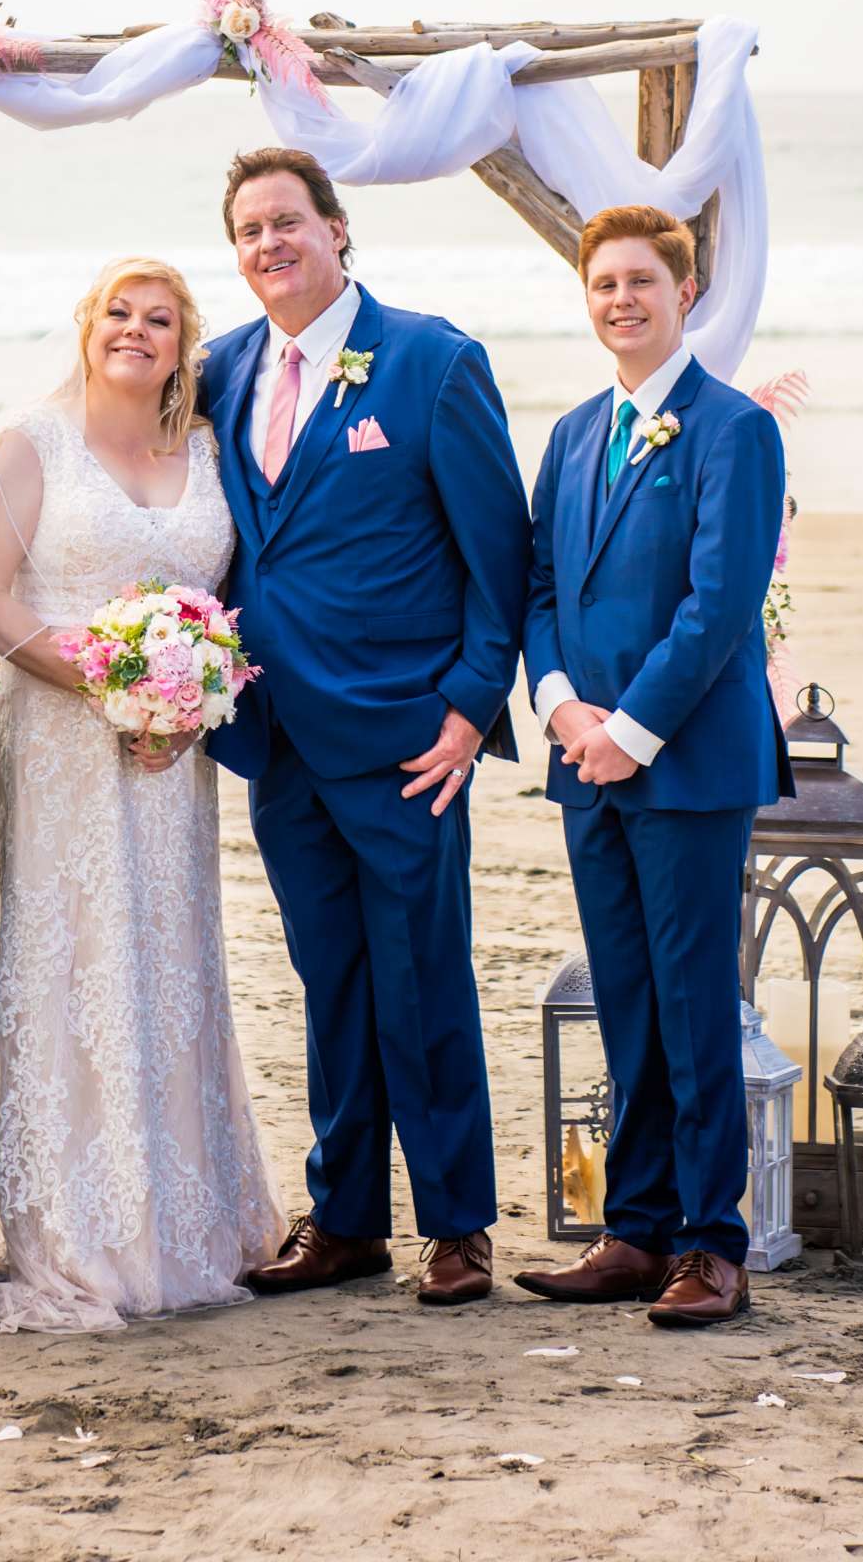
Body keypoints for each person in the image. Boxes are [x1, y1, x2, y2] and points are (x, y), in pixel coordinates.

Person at [200, 149, 531, 1307]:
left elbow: (502, 558)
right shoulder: (221, 370)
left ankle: (456, 1225)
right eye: (248, 231)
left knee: (423, 976)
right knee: (327, 980)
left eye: (287, 222)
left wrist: (469, 711)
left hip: (406, 739)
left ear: (338, 231)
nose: (268, 245)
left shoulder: (433, 361)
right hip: (277, 734)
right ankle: (345, 1219)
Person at [0, 256, 285, 1331]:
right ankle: (83, 1233)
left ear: (183, 346)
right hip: (64, 750)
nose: (135, 331)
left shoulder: (202, 450)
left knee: (170, 960)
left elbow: (222, 602)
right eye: (118, 312)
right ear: (85, 322)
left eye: (159, 319)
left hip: (168, 763)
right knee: (80, 962)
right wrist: (113, 683)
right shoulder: (30, 444)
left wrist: (186, 701)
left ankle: (181, 1223)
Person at [515, 203, 793, 1328]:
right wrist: (562, 706)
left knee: (693, 1001)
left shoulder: (731, 429)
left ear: (685, 293)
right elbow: (537, 587)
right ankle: (633, 1231)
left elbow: (720, 603)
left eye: (641, 281)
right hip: (585, 761)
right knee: (625, 998)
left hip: (682, 765)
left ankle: (711, 1243)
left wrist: (630, 732)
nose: (620, 299)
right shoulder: (575, 432)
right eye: (602, 284)